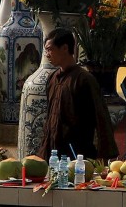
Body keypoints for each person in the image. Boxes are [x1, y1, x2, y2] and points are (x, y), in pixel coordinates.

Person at [36, 27, 117, 161]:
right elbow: (50, 118)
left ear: (64, 48)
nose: (47, 54)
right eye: (46, 50)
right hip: (53, 154)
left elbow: (101, 117)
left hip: (77, 155)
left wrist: (106, 155)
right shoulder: (52, 78)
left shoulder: (84, 79)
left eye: (50, 49)